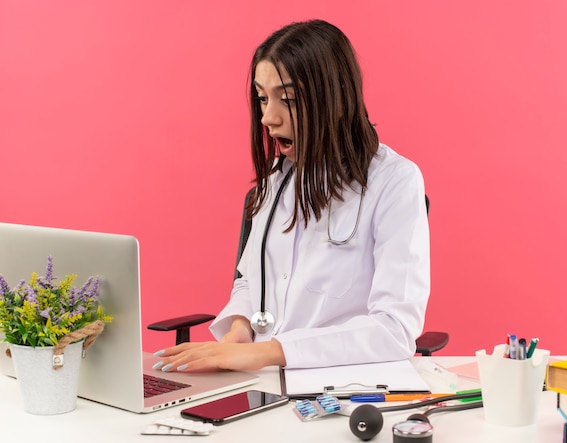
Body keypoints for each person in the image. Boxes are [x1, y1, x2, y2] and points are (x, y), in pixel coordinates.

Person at [153, 19, 430, 373]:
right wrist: (240, 327)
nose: (268, 117)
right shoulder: (276, 179)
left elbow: (394, 330)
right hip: (264, 382)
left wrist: (270, 352)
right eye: (262, 98)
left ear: (339, 100)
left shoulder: (394, 182)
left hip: (340, 386)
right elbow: (252, 279)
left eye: (289, 100)